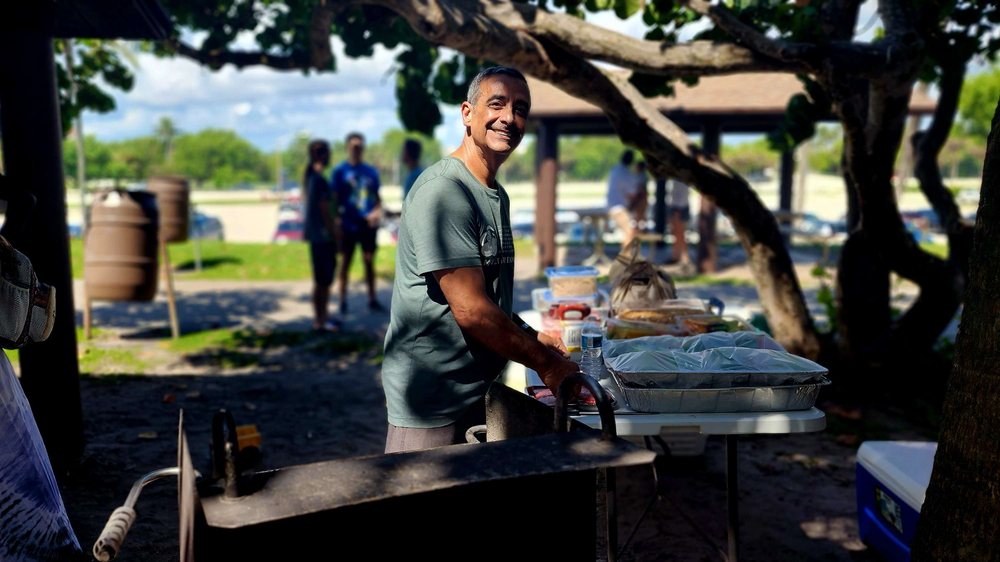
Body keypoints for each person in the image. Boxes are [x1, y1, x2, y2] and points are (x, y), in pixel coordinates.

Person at [381, 66, 579, 453]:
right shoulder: (445, 191)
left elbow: (490, 299)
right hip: (433, 403)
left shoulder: (494, 194)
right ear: (467, 114)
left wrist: (531, 335)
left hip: (477, 393)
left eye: (520, 109)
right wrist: (548, 365)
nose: (509, 117)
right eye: (497, 104)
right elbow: (471, 310)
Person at [332, 132, 384, 313]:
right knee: (345, 261)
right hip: (348, 223)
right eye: (354, 147)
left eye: (360, 147)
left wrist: (376, 213)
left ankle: (372, 299)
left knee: (369, 261)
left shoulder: (371, 171)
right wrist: (337, 222)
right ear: (347, 148)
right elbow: (335, 199)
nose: (357, 150)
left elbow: (378, 199)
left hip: (367, 224)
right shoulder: (340, 171)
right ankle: (342, 299)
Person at [302, 140, 341, 331]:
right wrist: (335, 234)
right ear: (323, 155)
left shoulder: (310, 177)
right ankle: (321, 320)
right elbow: (325, 210)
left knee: (320, 280)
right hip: (323, 238)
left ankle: (321, 317)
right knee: (324, 281)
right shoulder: (318, 179)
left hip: (316, 237)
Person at [607, 150, 638, 247]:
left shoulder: (614, 169)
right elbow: (631, 194)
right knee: (629, 232)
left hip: (611, 207)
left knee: (628, 232)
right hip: (619, 208)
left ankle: (627, 258)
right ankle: (626, 259)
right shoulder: (626, 173)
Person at [668, 178, 691, 264]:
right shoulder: (676, 179)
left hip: (679, 208)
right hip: (677, 207)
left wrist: (677, 210)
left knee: (680, 234)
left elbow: (682, 196)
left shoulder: (682, 179)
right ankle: (676, 256)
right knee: (676, 234)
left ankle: (684, 257)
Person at [400, 138, 424, 203]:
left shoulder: (416, 177)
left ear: (407, 153)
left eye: (403, 150)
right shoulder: (413, 175)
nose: (401, 154)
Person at [630, 160, 650, 230]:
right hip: (642, 198)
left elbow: (640, 189)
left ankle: (638, 229)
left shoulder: (640, 177)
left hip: (640, 199)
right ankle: (642, 228)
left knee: (639, 214)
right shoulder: (642, 176)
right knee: (641, 215)